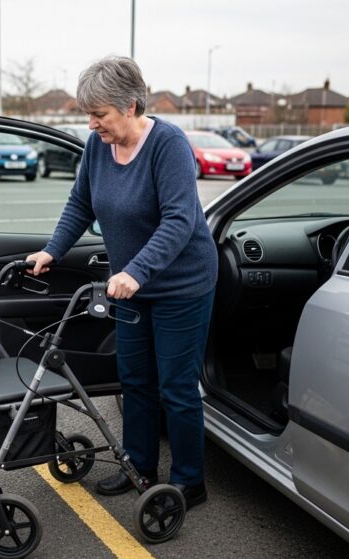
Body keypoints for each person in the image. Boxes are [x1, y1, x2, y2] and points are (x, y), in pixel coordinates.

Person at [27, 56, 218, 509]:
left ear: (130, 106)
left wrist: (135, 270)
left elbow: (178, 220)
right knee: (134, 379)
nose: (92, 124)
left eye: (100, 115)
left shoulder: (168, 145)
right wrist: (52, 249)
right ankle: (140, 467)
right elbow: (81, 203)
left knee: (175, 385)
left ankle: (191, 482)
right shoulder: (98, 146)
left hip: (181, 285)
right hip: (131, 286)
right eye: (88, 115)